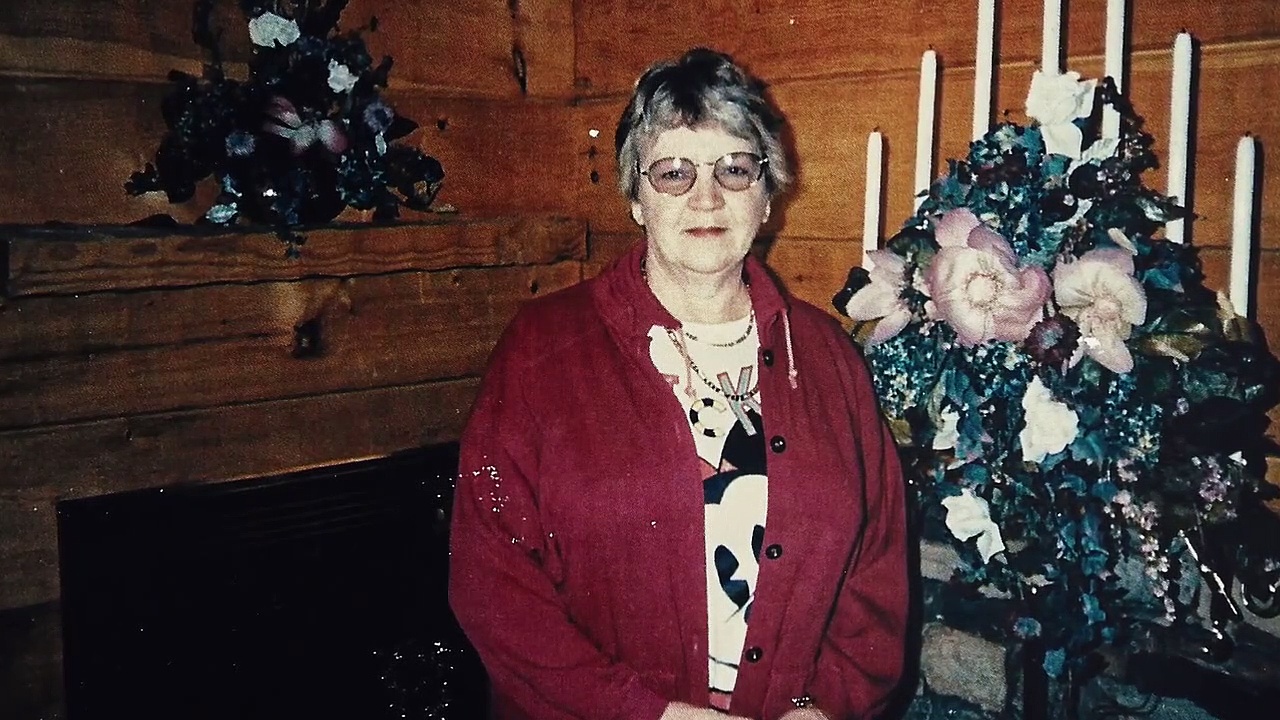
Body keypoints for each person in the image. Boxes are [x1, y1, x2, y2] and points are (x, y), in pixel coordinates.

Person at [449, 47, 908, 720]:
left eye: (735, 168)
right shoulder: (541, 351)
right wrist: (648, 714)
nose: (707, 196)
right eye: (673, 173)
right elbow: (494, 585)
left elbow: (878, 565)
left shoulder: (827, 356)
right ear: (636, 198)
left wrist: (826, 706)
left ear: (767, 194)